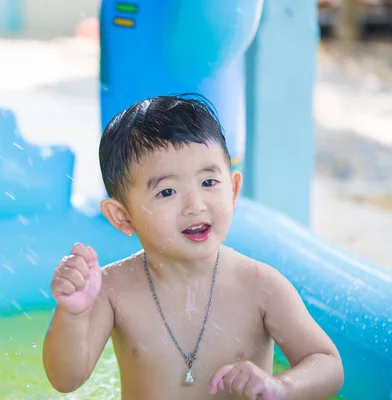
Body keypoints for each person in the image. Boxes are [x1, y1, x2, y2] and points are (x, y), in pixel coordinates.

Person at [42, 94, 344, 399]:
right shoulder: (112, 289)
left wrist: (281, 386)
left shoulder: (260, 286)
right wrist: (73, 314)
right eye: (167, 191)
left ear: (234, 190)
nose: (195, 206)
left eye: (209, 183)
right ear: (122, 217)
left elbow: (327, 364)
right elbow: (66, 380)